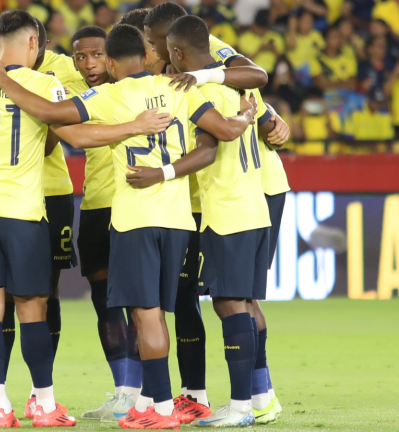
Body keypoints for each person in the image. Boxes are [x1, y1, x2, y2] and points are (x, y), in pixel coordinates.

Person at [0, 22, 256, 430]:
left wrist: (2, 79)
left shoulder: (110, 94)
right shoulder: (180, 89)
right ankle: (153, 403)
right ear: (145, 55)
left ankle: (159, 410)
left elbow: (53, 115)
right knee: (160, 312)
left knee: (146, 315)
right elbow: (224, 133)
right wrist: (247, 116)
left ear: (109, 60)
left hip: (135, 220)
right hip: (178, 220)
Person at [0, 10, 172, 428]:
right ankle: (45, 406)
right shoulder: (44, 85)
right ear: (33, 44)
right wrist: (134, 126)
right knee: (32, 308)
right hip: (23, 214)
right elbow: (78, 136)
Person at [126, 15, 277, 427]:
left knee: (229, 304)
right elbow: (255, 93)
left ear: (176, 53)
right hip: (254, 205)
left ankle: (243, 406)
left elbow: (212, 144)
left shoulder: (200, 90)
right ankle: (258, 399)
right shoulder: (235, 83)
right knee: (242, 302)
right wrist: (250, 119)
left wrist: (161, 173)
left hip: (227, 212)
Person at [0, 20, 86, 414]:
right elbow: (69, 131)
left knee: (32, 294)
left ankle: (4, 398)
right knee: (28, 299)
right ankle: (39, 398)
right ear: (33, 42)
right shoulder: (36, 76)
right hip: (26, 202)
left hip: (29, 196)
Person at [67, 25, 140, 422]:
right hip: (95, 206)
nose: (89, 63)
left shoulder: (140, 86)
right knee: (105, 303)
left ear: (111, 56)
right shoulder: (74, 86)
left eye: (96, 54)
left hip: (137, 205)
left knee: (142, 305)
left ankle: (149, 392)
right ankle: (124, 392)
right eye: (80, 56)